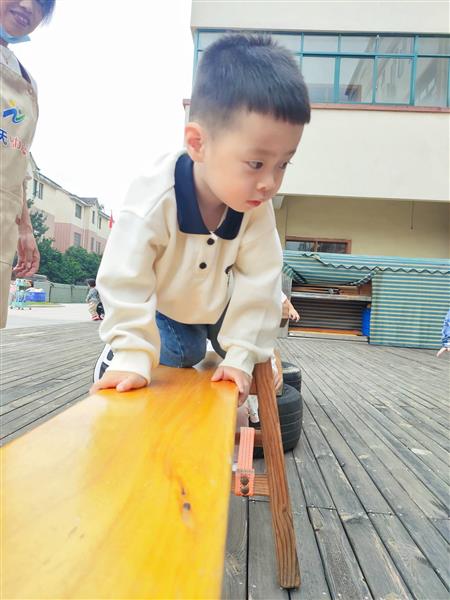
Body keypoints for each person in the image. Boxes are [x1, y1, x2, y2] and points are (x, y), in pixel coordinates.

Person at [90, 33, 310, 405]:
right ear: (198, 143)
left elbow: (261, 279)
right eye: (256, 163)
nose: (270, 182)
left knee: (248, 349)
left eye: (283, 164)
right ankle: (116, 357)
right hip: (167, 309)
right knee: (182, 353)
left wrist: (242, 356)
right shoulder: (155, 197)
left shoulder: (255, 204)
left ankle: (241, 351)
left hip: (220, 304)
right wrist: (131, 353)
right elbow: (125, 277)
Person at [0, 0, 55, 328]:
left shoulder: (27, 83)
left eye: (41, 2)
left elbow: (17, 161)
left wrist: (24, 228)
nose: (26, 6)